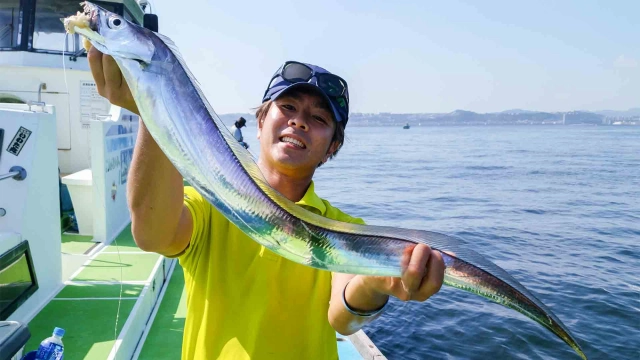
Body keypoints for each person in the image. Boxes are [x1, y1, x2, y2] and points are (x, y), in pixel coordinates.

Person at [88, 49, 446, 360]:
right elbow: (153, 234)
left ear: (332, 147)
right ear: (260, 122)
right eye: (287, 106)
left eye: (319, 119)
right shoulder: (212, 203)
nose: (299, 121)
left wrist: (374, 284)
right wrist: (153, 108)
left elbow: (343, 317)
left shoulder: (341, 226)